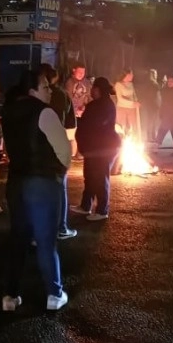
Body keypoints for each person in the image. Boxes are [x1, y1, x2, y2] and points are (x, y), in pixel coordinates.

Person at [0, 69, 72, 313]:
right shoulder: (45, 113)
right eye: (45, 87)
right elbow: (64, 150)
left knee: (18, 239)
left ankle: (10, 296)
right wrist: (59, 173)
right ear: (32, 91)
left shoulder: (8, 112)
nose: (50, 90)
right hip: (42, 183)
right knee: (45, 240)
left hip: (17, 182)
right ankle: (54, 293)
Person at [73, 76, 121, 220]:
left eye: (93, 87)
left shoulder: (103, 105)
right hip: (95, 148)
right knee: (90, 177)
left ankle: (102, 210)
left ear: (98, 89)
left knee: (100, 178)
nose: (91, 90)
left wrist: (80, 122)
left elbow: (94, 124)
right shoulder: (99, 104)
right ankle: (86, 206)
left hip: (103, 148)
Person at [39, 63, 78, 240]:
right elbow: (71, 124)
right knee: (59, 187)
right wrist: (71, 144)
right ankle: (61, 228)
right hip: (58, 145)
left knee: (38, 188)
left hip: (38, 147)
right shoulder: (62, 95)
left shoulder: (32, 95)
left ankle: (39, 231)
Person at [65, 64, 92, 158]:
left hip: (84, 112)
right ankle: (71, 154)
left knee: (83, 133)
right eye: (79, 72)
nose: (81, 74)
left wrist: (85, 108)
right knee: (72, 135)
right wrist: (75, 110)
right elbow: (68, 98)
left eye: (83, 72)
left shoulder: (87, 83)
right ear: (74, 70)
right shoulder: (69, 82)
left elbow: (89, 97)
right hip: (72, 113)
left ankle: (80, 153)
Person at [155, 76, 173, 153]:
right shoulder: (164, 90)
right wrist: (161, 112)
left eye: (171, 81)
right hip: (166, 113)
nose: (169, 83)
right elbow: (162, 102)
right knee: (162, 130)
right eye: (168, 81)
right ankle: (156, 146)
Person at [114, 69, 140, 136]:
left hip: (132, 109)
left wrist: (136, 101)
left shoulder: (131, 84)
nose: (133, 75)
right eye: (131, 74)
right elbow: (120, 99)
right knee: (122, 127)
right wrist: (132, 103)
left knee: (132, 127)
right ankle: (121, 142)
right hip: (122, 108)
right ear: (127, 75)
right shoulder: (118, 85)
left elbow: (134, 95)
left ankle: (132, 141)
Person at [140, 69, 161, 144]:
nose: (156, 75)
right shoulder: (154, 84)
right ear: (152, 75)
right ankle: (151, 136)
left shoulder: (149, 83)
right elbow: (157, 94)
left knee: (152, 121)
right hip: (153, 104)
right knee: (152, 121)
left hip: (151, 104)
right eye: (155, 74)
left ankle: (151, 136)